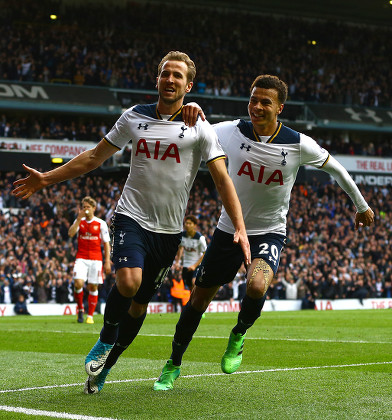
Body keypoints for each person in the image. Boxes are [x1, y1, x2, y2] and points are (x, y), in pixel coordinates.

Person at [12, 51, 250, 395]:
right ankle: (106, 336)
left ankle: (106, 367)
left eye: (177, 76)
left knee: (139, 305)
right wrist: (46, 179)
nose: (170, 80)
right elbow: (94, 157)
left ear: (189, 85)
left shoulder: (200, 127)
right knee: (128, 282)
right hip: (130, 218)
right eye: (165, 74)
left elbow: (223, 179)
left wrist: (239, 227)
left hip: (168, 233)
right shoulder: (133, 117)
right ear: (157, 79)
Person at [153, 74, 375, 391]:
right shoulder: (231, 131)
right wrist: (193, 108)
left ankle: (239, 333)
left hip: (269, 232)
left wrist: (361, 205)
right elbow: (192, 129)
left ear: (279, 108)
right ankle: (173, 364)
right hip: (228, 230)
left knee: (257, 285)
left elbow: (336, 169)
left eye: (265, 102)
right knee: (199, 301)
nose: (257, 107)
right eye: (253, 99)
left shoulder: (298, 144)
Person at [68, 196, 111, 324]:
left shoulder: (101, 223)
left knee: (93, 286)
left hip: (96, 259)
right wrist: (78, 219)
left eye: (88, 207)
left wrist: (107, 261)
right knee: (78, 283)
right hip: (81, 257)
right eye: (84, 207)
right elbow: (70, 234)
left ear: (94, 208)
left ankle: (90, 315)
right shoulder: (79, 221)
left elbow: (106, 244)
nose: (86, 209)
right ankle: (80, 309)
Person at [174, 215, 207, 290]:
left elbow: (205, 254)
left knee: (194, 282)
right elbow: (181, 248)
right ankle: (192, 301)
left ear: (195, 225)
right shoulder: (182, 235)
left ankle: (198, 301)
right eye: (186, 223)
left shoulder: (200, 238)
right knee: (189, 286)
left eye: (190, 223)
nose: (187, 225)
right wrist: (177, 261)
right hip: (186, 265)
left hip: (197, 265)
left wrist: (194, 266)